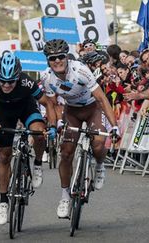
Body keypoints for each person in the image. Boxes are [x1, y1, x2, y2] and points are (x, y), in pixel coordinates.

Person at [40, 39, 119, 218]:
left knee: (98, 144)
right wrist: (58, 121)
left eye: (61, 56)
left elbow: (102, 99)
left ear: (67, 57)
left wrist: (114, 126)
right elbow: (52, 104)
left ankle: (99, 166)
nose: (57, 61)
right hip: (71, 111)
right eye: (53, 58)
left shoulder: (81, 71)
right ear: (47, 61)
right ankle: (65, 196)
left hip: (92, 109)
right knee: (66, 153)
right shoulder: (46, 77)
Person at [0, 52, 57, 225]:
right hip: (4, 113)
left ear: (18, 77)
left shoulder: (27, 82)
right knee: (4, 156)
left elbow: (48, 103)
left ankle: (37, 164)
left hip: (26, 108)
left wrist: (52, 126)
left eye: (11, 81)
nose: (6, 85)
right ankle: (3, 202)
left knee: (38, 132)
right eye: (3, 81)